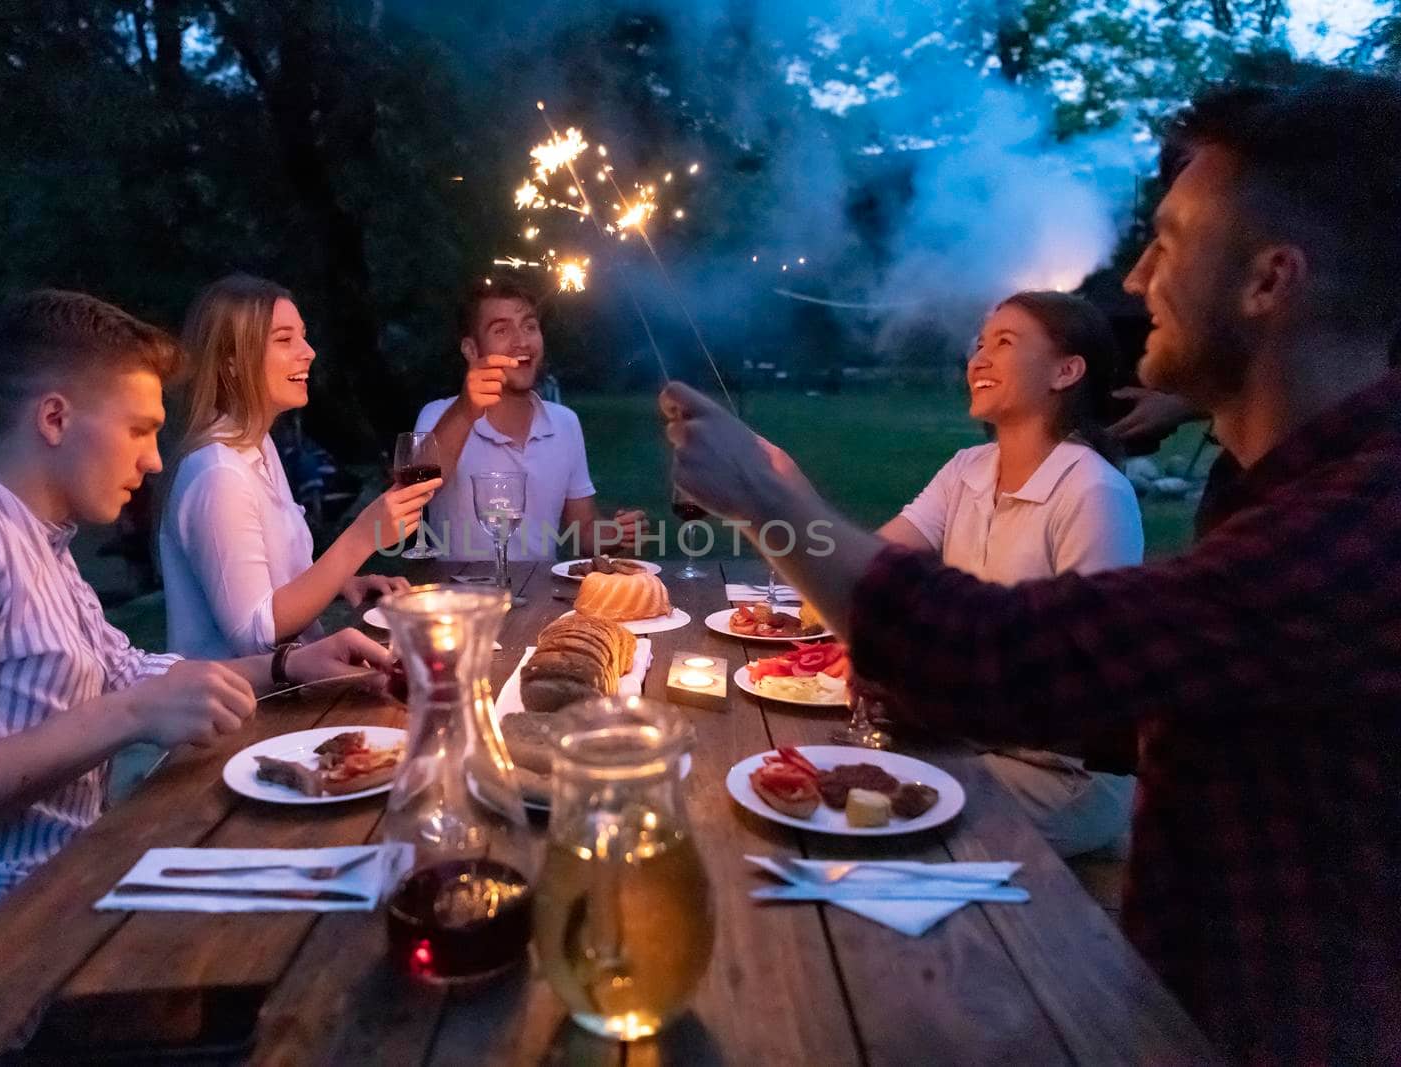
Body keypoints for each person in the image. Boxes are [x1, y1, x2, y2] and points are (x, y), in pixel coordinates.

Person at [661, 70, 1401, 1063]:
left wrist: (768, 498)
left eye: (1169, 243)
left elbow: (1014, 656)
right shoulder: (1296, 483)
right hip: (1176, 1002)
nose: (1136, 280)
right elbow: (1135, 698)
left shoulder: (1360, 527)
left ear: (1269, 281)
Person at [0, 290, 391, 1027]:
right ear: (54, 418)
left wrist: (288, 668)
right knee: (329, 980)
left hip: (61, 915)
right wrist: (126, 717)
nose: (154, 460)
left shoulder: (36, 542)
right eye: (140, 430)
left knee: (359, 889)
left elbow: (125, 671)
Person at [879, 291, 1142, 857]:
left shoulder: (1092, 492)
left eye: (1004, 343)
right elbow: (874, 565)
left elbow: (1086, 687)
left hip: (1062, 775)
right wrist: (773, 500)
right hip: (971, 744)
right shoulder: (967, 470)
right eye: (979, 345)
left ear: (1067, 371)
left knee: (883, 816)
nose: (978, 359)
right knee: (846, 779)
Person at [159, 274, 437, 658]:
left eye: (303, 336)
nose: (308, 351)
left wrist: (344, 582)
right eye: (284, 339)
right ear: (233, 363)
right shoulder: (216, 474)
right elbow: (254, 633)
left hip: (292, 689)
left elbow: (269, 581)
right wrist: (361, 537)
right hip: (247, 710)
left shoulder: (258, 446)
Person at [414, 277, 646, 560]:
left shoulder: (565, 423)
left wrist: (613, 534)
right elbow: (415, 490)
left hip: (542, 598)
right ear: (471, 350)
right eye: (501, 330)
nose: (521, 342)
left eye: (529, 326)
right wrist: (465, 410)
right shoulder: (439, 416)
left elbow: (583, 531)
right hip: (459, 599)